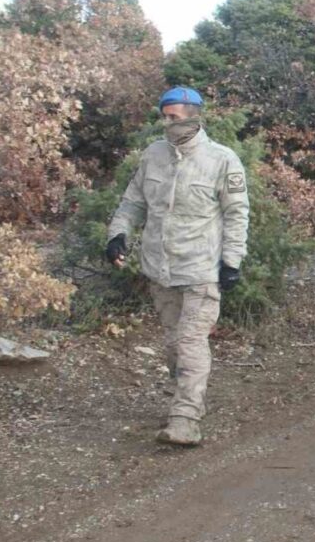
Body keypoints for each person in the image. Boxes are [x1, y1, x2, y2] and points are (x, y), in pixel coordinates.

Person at [106, 86, 250, 446]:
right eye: (165, 116)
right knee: (173, 343)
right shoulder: (153, 155)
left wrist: (232, 261)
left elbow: (236, 214)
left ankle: (186, 418)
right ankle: (184, 396)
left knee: (189, 341)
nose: (168, 123)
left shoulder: (222, 159)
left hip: (201, 268)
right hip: (160, 269)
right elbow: (132, 202)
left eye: (175, 117)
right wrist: (117, 235)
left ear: (194, 114)